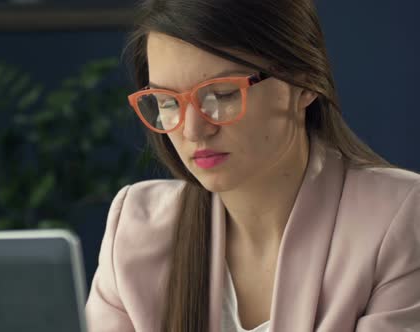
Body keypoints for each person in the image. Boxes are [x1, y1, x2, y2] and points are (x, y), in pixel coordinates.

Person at [85, 0, 420, 331]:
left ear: (303, 83)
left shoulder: (399, 218)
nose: (193, 130)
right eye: (168, 102)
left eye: (222, 94)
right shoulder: (135, 228)